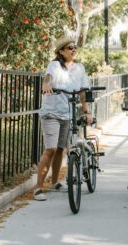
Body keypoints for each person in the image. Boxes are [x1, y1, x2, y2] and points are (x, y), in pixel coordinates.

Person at [33, 33, 92, 201]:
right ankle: (38, 188)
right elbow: (48, 77)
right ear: (61, 51)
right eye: (70, 48)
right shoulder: (54, 65)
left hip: (68, 113)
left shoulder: (79, 68)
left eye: (75, 47)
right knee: (50, 149)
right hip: (51, 112)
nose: (73, 50)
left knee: (60, 149)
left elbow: (83, 91)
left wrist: (87, 111)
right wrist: (45, 84)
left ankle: (55, 182)